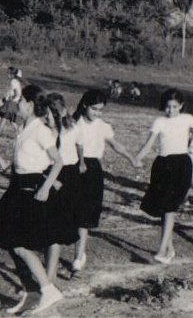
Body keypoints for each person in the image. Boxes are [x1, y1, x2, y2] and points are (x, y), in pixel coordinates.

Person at [0, 85, 72, 316]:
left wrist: (46, 187)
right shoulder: (23, 127)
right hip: (17, 186)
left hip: (31, 189)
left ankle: (48, 289)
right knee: (9, 241)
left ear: (30, 104)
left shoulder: (40, 130)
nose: (18, 104)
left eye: (21, 101)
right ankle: (31, 292)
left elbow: (58, 161)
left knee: (19, 243)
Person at [132, 88, 193, 264]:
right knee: (164, 208)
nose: (171, 110)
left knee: (170, 208)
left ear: (181, 106)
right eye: (168, 107)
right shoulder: (159, 122)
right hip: (163, 166)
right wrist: (137, 158)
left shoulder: (187, 119)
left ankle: (161, 250)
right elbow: (148, 144)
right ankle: (169, 249)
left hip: (181, 166)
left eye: (174, 106)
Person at [70, 89, 134, 274]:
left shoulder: (103, 126)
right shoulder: (74, 123)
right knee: (72, 212)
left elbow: (115, 145)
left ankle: (78, 256)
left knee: (85, 214)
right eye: (94, 109)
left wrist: (131, 158)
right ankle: (77, 250)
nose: (97, 113)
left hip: (93, 171)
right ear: (85, 105)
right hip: (74, 167)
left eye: (100, 110)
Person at [43, 92, 83, 282]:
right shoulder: (44, 131)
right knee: (48, 224)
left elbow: (79, 146)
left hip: (68, 174)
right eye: (48, 113)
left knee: (60, 224)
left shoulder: (72, 128)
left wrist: (82, 162)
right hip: (49, 173)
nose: (51, 117)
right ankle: (49, 269)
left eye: (55, 113)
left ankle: (73, 260)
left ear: (64, 112)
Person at [0, 67, 24, 136]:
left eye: (8, 73)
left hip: (11, 103)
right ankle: (20, 133)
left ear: (13, 74)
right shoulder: (13, 81)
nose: (7, 74)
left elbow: (17, 93)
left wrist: (12, 98)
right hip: (11, 102)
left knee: (4, 118)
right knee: (12, 121)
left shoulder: (13, 82)